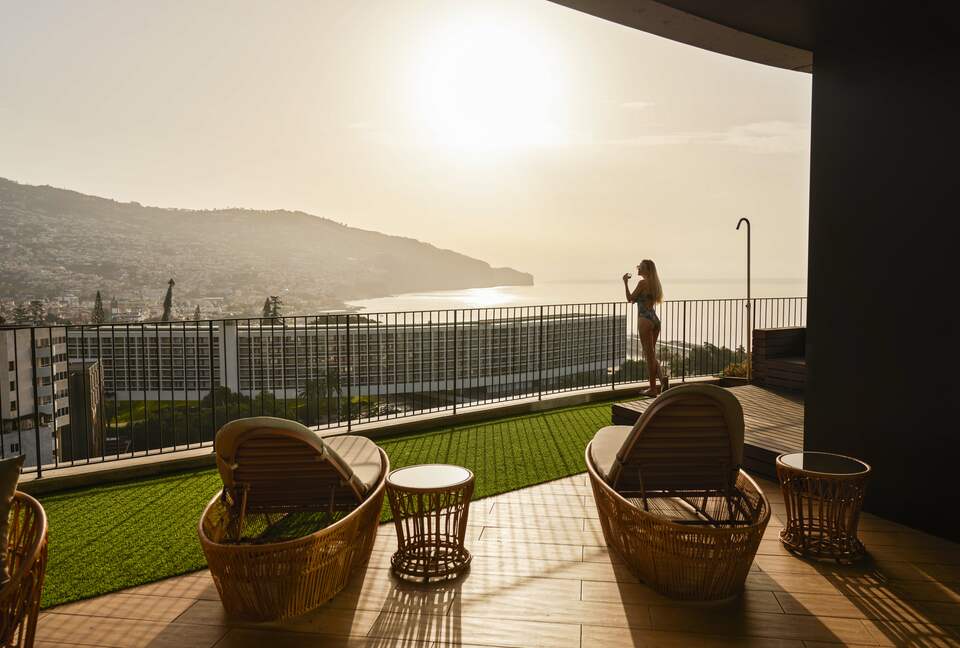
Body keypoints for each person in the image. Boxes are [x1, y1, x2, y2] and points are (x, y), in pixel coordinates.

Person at [623, 259, 669, 396]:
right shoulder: (655, 284)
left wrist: (625, 283)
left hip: (644, 319)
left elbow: (630, 298)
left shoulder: (643, 283)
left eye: (641, 267)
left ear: (647, 270)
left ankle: (653, 389)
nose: (638, 268)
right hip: (654, 319)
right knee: (651, 354)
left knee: (649, 357)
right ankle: (662, 380)